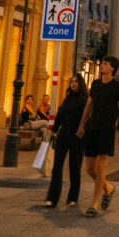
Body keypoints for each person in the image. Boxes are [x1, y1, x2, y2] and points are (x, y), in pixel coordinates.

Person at [77, 55, 119, 218]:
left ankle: (94, 204)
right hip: (92, 128)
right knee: (90, 169)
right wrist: (81, 125)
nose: (101, 65)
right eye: (102, 63)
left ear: (112, 68)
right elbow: (89, 105)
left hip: (107, 129)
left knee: (100, 168)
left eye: (105, 64)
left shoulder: (118, 86)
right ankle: (108, 188)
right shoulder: (96, 84)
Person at [43, 74, 88, 208]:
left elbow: (87, 119)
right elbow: (60, 115)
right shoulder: (67, 99)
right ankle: (52, 197)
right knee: (57, 166)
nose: (73, 84)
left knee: (75, 167)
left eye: (76, 82)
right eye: (71, 82)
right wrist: (53, 131)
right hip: (64, 135)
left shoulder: (84, 100)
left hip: (77, 137)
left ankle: (72, 197)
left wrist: (83, 131)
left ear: (80, 84)